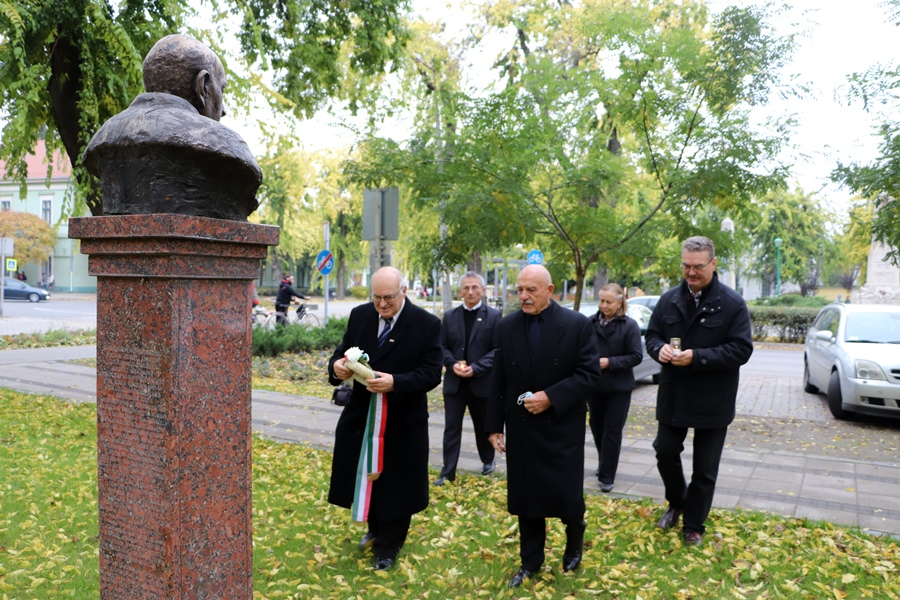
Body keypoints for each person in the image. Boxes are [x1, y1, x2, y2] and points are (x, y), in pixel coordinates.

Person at [485, 264, 602, 588]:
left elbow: (589, 374)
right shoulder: (507, 326)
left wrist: (551, 397)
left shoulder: (576, 325)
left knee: (565, 496)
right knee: (527, 499)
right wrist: (494, 426)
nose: (523, 296)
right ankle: (530, 561)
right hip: (522, 427)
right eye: (520, 290)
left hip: (561, 427)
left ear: (550, 291)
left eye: (531, 290)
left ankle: (574, 534)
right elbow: (499, 380)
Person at [327, 267, 442, 571]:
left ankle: (389, 546)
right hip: (363, 416)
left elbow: (432, 373)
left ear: (404, 291)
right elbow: (341, 352)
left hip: (402, 420)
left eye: (388, 297)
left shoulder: (427, 324)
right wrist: (336, 367)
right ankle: (375, 528)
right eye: (376, 297)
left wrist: (396, 383)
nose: (382, 304)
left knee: (397, 482)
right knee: (369, 474)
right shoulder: (360, 315)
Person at [644, 236, 753, 547]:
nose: (691, 272)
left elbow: (741, 349)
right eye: (686, 266)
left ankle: (694, 525)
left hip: (713, 397)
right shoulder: (668, 300)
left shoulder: (732, 304)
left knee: (705, 468)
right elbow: (652, 336)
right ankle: (678, 501)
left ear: (713, 264)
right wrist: (659, 349)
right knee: (664, 449)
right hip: (674, 394)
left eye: (698, 267)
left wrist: (698, 357)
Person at [82, 34, 262, 221]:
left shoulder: (104, 137)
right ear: (203, 86)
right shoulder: (226, 145)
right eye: (221, 89)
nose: (223, 110)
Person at [435, 272, 502, 486]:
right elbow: (441, 346)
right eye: (466, 288)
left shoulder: (494, 316)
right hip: (455, 383)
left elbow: (498, 350)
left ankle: (487, 460)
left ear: (483, 290)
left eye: (475, 287)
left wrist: (476, 368)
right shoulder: (450, 316)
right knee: (451, 428)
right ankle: (447, 472)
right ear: (460, 291)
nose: (470, 292)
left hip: (481, 382)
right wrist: (452, 363)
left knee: (483, 425)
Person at [588, 283, 643, 494]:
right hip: (595, 385)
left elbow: (636, 356)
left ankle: (607, 475)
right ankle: (604, 462)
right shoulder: (590, 323)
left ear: (620, 303)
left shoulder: (629, 326)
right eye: (601, 301)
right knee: (597, 427)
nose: (604, 305)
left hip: (619, 387)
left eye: (609, 302)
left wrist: (609, 362)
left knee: (612, 431)